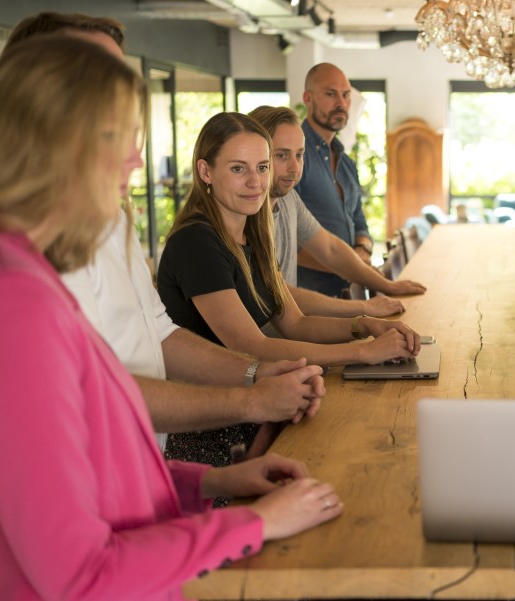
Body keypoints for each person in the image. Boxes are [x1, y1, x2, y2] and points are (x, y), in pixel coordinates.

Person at [0, 35, 342, 601]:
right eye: (118, 136)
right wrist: (255, 523)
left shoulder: (30, 273)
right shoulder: (11, 303)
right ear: (51, 142)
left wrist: (215, 482)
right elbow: (80, 575)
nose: (135, 159)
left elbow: (95, 468)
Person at [8, 12, 323, 451]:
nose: (136, 157)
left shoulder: (112, 216)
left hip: (147, 459)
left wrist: (255, 375)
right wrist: (250, 401)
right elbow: (92, 394)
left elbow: (161, 333)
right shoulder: (13, 250)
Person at [157, 112, 421, 467]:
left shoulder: (253, 234)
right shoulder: (196, 242)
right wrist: (361, 353)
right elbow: (251, 346)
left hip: (263, 408)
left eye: (262, 167)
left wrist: (364, 325)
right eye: (238, 169)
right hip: (217, 432)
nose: (256, 182)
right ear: (206, 172)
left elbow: (295, 323)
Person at [247, 105, 426, 320]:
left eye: (300, 155)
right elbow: (281, 295)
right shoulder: (244, 217)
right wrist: (364, 307)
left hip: (288, 333)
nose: (295, 168)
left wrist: (388, 285)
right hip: (271, 345)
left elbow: (331, 249)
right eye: (282, 155)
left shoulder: (289, 200)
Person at [295, 62, 376, 296]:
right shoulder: (295, 159)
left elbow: (359, 220)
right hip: (309, 302)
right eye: (330, 94)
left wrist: (362, 249)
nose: (341, 103)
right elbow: (288, 243)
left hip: (350, 294)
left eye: (346, 95)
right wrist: (353, 267)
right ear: (308, 99)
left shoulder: (347, 163)